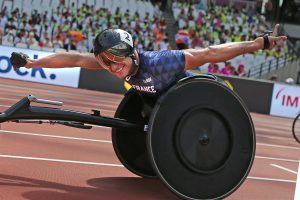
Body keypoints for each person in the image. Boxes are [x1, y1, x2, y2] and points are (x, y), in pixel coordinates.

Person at [10, 24, 287, 96]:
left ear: (131, 54)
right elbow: (73, 58)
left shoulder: (161, 62)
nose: (112, 69)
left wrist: (259, 43)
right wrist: (33, 63)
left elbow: (210, 53)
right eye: (106, 63)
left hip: (199, 96)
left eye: (117, 62)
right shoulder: (111, 63)